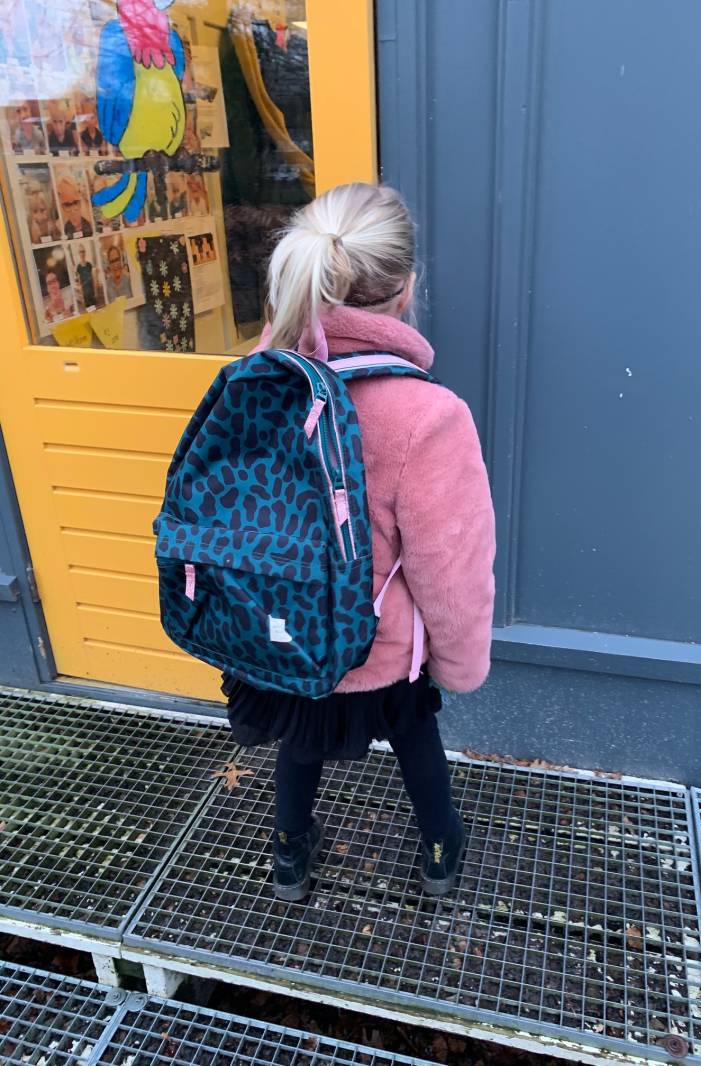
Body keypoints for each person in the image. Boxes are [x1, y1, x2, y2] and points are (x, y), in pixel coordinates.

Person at [221, 182, 496, 901]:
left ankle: (289, 853)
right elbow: (451, 569)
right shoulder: (428, 415)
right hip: (378, 647)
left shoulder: (256, 378)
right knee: (415, 739)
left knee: (300, 739)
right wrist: (459, 664)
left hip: (282, 631)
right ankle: (439, 850)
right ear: (406, 289)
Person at [57, 174, 92, 238]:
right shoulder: (60, 228)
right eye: (67, 205)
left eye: (75, 203)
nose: (72, 211)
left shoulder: (90, 223)